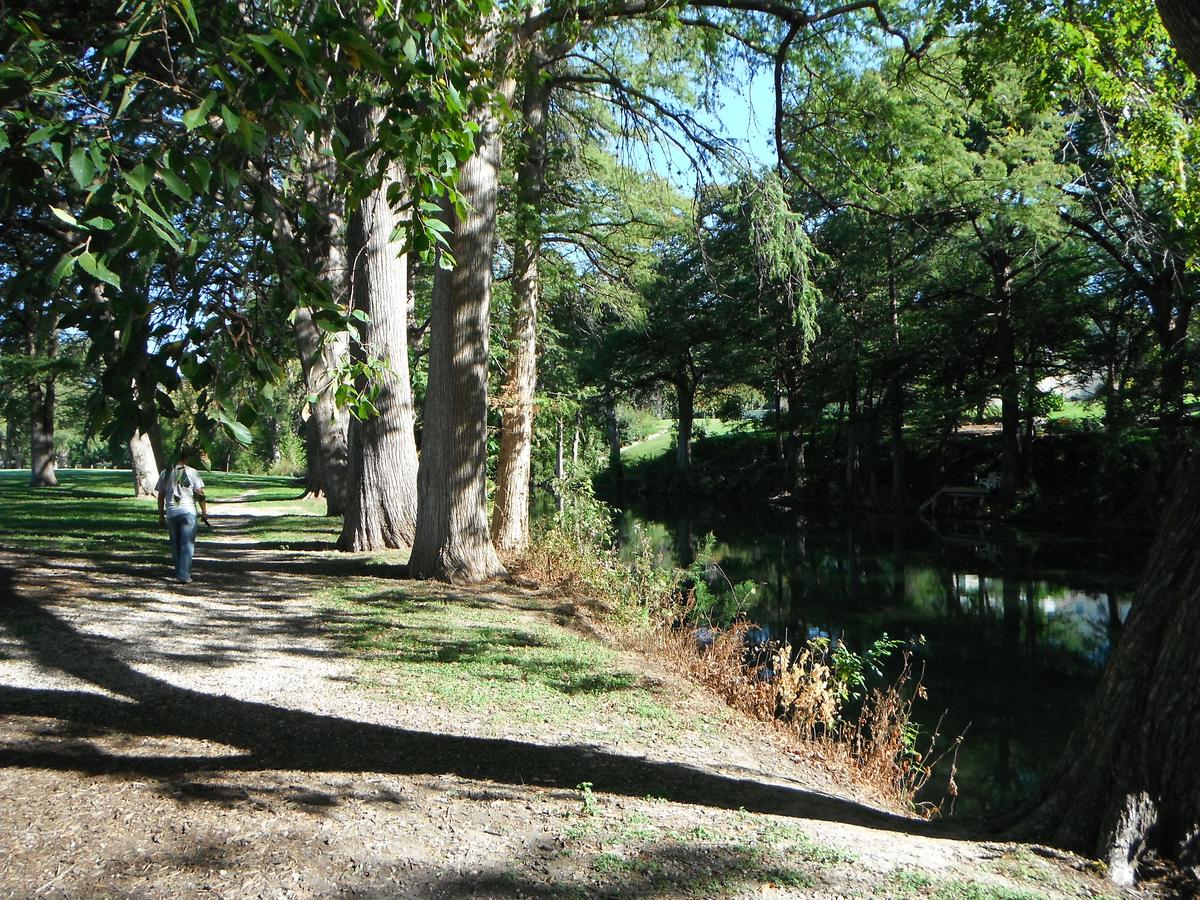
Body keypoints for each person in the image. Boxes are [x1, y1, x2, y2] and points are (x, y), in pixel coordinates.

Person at [156, 444, 210, 584]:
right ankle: (184, 575)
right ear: (185, 458)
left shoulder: (165, 473)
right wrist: (204, 512)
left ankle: (180, 571)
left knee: (175, 544)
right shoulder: (192, 472)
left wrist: (161, 515)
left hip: (172, 512)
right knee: (187, 544)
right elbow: (200, 493)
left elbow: (161, 496)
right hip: (188, 511)